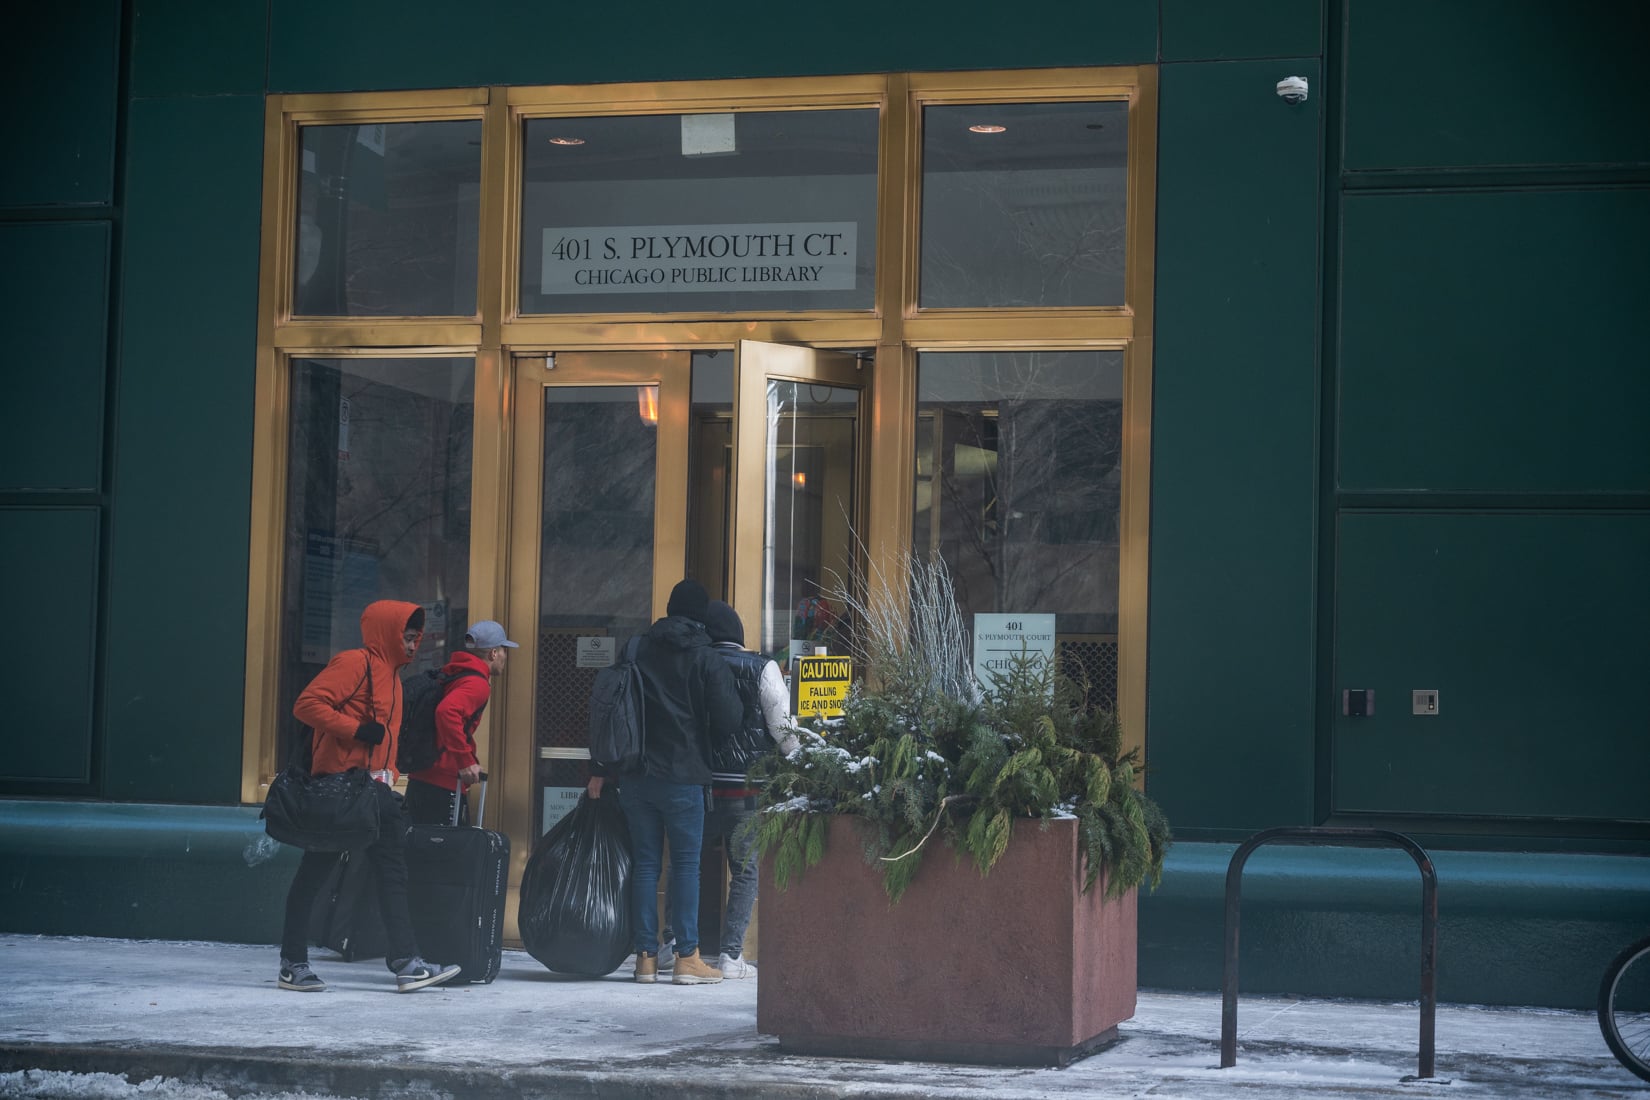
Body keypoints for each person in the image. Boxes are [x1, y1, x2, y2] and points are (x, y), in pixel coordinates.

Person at [277, 599, 461, 994]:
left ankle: (406, 962)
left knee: (393, 871)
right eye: (407, 637)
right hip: (340, 790)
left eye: (416, 639)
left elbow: (386, 742)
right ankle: (292, 963)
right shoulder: (353, 663)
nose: (413, 646)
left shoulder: (393, 677)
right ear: (388, 633)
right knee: (315, 873)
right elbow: (306, 705)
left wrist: (389, 776)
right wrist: (358, 729)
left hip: (373, 792)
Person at [586, 579, 741, 986]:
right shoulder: (705, 656)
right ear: (701, 616)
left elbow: (613, 703)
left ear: (669, 609)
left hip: (637, 773)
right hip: (685, 776)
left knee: (646, 865)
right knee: (686, 865)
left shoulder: (637, 647)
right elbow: (728, 717)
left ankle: (645, 958)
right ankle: (687, 956)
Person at [694, 599, 801, 978]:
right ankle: (730, 955)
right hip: (747, 787)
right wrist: (799, 759)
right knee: (744, 871)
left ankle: (675, 947)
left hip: (701, 785)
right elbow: (783, 726)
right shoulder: (762, 667)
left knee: (688, 866)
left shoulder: (697, 663)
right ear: (739, 635)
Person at [404, 619, 517, 827]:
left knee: (420, 851)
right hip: (443, 783)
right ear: (493, 653)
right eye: (504, 650)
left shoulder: (454, 673)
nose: (505, 657)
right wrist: (466, 761)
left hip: (421, 777)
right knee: (446, 854)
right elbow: (447, 712)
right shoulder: (477, 684)